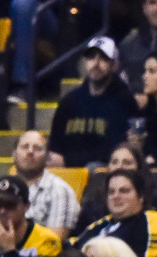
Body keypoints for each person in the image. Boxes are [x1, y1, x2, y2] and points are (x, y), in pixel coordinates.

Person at [0, 130, 80, 239]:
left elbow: (54, 242)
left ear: (47, 157)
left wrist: (11, 248)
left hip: (41, 255)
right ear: (14, 154)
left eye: (37, 148)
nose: (30, 152)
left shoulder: (61, 190)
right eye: (25, 147)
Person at [47, 39, 135, 170]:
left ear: (114, 64)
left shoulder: (124, 101)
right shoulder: (69, 101)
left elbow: (113, 150)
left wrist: (68, 161)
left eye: (103, 58)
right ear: (84, 62)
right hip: (68, 169)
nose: (96, 63)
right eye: (91, 57)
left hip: (104, 170)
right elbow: (56, 144)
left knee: (93, 168)